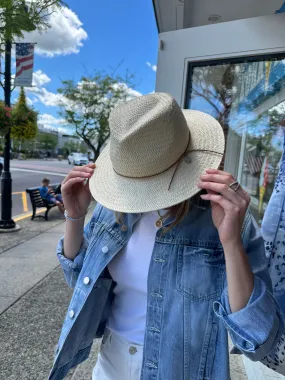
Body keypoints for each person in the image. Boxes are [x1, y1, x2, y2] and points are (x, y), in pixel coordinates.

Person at [49, 93, 285, 380]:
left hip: (183, 368)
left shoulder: (225, 214)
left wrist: (231, 241)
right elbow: (79, 282)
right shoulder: (113, 210)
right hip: (112, 362)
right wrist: (74, 217)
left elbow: (257, 335)